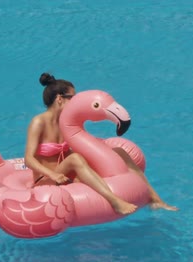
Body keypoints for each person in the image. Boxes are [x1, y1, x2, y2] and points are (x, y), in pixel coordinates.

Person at [24, 72, 178, 213]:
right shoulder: (39, 122)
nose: (76, 102)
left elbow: (72, 148)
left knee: (118, 152)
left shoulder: (66, 123)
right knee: (75, 159)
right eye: (73, 98)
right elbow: (29, 159)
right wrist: (53, 174)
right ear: (59, 99)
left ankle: (155, 199)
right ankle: (115, 201)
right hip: (46, 180)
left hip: (66, 174)